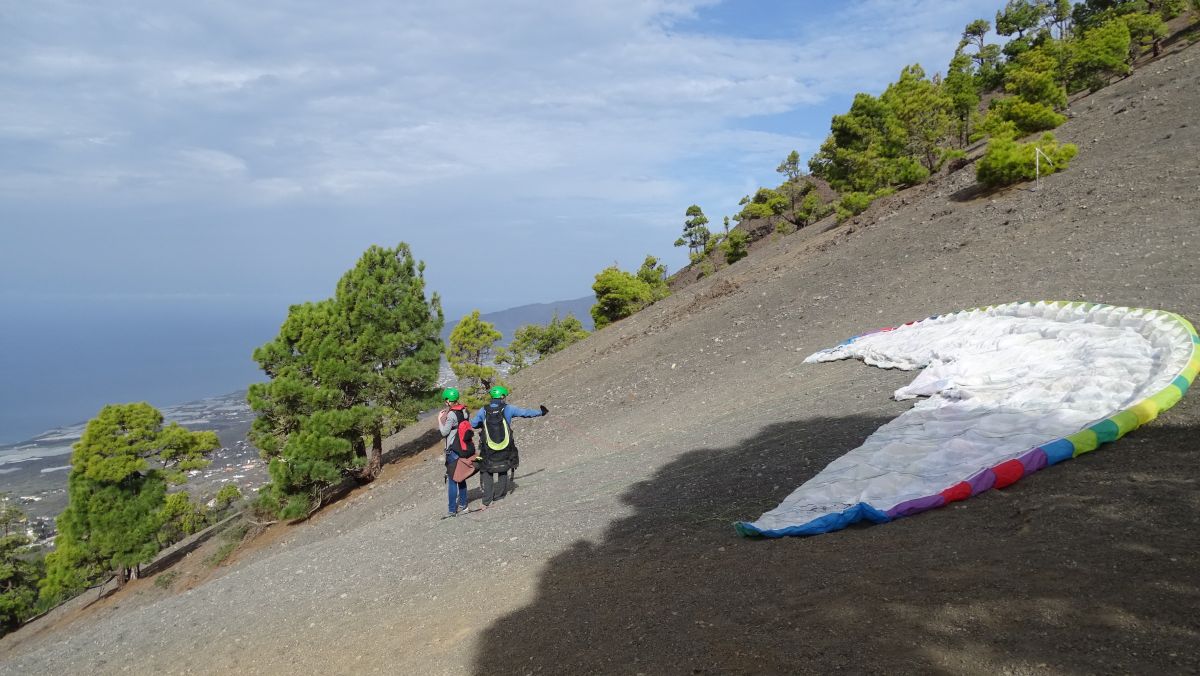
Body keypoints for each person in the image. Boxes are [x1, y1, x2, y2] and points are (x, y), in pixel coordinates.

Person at [470, 385, 548, 509]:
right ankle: (500, 496)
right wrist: (541, 412)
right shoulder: (508, 408)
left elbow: (473, 424)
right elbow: (525, 413)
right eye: (504, 396)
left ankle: (487, 501)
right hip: (505, 446)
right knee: (503, 467)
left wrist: (482, 423)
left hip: (488, 448)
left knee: (486, 470)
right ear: (501, 397)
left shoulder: (483, 410)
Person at [437, 387, 476, 517]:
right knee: (461, 477)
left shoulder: (452, 414)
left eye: (446, 400)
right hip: (463, 448)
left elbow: (444, 432)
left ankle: (452, 510)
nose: (445, 402)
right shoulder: (465, 411)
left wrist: (439, 419)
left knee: (453, 480)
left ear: (448, 401)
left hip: (453, 450)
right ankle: (464, 505)